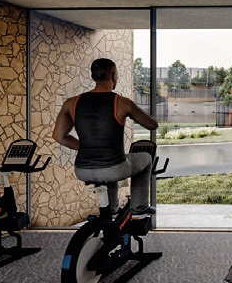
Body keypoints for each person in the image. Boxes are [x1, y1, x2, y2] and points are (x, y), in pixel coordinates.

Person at [52, 58, 159, 217]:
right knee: (145, 159)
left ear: (93, 76)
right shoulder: (121, 102)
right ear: (114, 75)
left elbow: (59, 136)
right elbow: (152, 125)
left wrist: (86, 147)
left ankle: (112, 212)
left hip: (82, 170)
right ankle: (139, 208)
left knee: (111, 168)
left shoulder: (72, 103)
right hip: (113, 168)